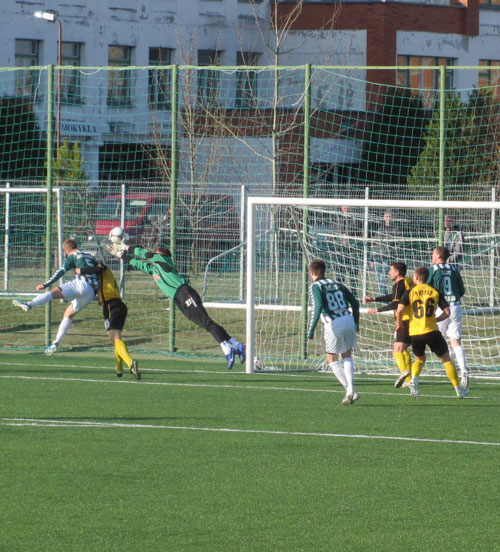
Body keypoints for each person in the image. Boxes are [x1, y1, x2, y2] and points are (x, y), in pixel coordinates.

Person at [118, 244, 245, 369]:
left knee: (206, 322)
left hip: (185, 293)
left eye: (157, 253)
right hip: (178, 299)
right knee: (205, 323)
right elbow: (138, 263)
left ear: (162, 255)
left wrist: (126, 247)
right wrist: (121, 256)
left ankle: (226, 348)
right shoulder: (154, 270)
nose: (154, 255)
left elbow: (145, 254)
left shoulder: (164, 260)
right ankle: (236, 345)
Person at [12, 238, 98, 354]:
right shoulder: (90, 256)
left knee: (52, 293)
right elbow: (99, 270)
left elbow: (61, 271)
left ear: (67, 251)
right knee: (68, 314)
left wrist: (45, 284)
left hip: (80, 284)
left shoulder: (73, 256)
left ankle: (29, 304)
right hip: (91, 291)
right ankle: (55, 343)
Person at [395, 266, 469, 399]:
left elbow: (399, 310)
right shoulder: (434, 291)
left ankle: (414, 381)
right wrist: (436, 318)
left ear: (416, 277)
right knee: (446, 361)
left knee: (419, 359)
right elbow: (447, 312)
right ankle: (459, 390)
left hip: (415, 333)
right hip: (432, 331)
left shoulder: (410, 292)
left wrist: (399, 325)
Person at [307, 258, 360, 406]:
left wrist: (310, 330)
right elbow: (355, 303)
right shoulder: (338, 283)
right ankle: (351, 390)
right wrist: (356, 322)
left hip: (333, 323)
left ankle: (350, 390)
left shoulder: (315, 286)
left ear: (312, 273)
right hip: (348, 319)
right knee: (347, 354)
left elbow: (317, 307)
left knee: (332, 358)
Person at [75, 263, 140, 380]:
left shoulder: (102, 269)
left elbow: (98, 267)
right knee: (116, 339)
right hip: (118, 305)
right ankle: (119, 367)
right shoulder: (103, 279)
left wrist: (81, 270)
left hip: (111, 305)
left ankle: (130, 363)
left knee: (116, 339)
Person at [364, 262, 414, 388]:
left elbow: (396, 304)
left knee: (396, 351)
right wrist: (375, 299)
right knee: (403, 349)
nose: (389, 273)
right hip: (414, 319)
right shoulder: (408, 282)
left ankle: (404, 372)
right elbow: (393, 297)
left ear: (397, 272)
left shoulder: (399, 284)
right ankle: (409, 378)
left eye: (391, 270)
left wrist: (377, 310)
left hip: (405, 319)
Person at [428, 245, 468, 388]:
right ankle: (463, 371)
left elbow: (426, 289)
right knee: (456, 341)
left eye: (433, 254)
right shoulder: (454, 269)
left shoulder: (433, 270)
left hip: (441, 308)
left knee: (432, 338)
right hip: (455, 307)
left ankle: (447, 364)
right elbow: (461, 290)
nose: (431, 256)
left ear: (439, 256)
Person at [332, 206, 363, 293]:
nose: (345, 208)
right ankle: (339, 293)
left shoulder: (356, 220)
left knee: (353, 275)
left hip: (352, 251)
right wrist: (340, 239)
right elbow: (334, 234)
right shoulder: (338, 220)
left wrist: (349, 238)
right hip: (340, 251)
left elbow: (359, 234)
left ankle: (354, 293)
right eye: (343, 207)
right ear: (341, 208)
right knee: (339, 275)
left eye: (347, 207)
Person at [370, 210, 399, 295]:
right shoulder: (379, 228)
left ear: (392, 218)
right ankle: (383, 295)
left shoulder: (395, 229)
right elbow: (374, 244)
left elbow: (397, 244)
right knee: (377, 278)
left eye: (389, 217)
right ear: (384, 217)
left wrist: (392, 253)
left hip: (387, 257)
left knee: (383, 277)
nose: (388, 218)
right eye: (386, 216)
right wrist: (371, 259)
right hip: (377, 256)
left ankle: (383, 296)